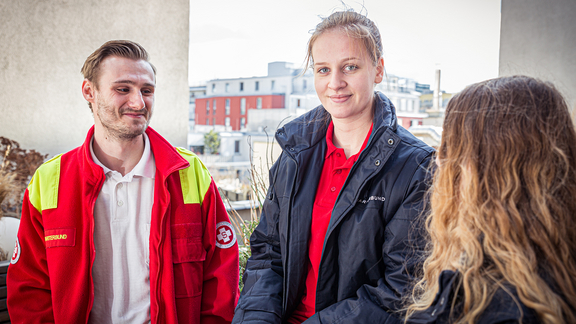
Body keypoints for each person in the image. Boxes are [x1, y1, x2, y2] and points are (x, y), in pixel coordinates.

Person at [7, 40, 239, 324]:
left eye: (147, 91)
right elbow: (30, 290)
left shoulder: (190, 173)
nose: (138, 103)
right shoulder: (49, 180)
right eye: (123, 89)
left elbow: (221, 280)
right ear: (89, 92)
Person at [232, 10, 434, 324]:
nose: (335, 83)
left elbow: (402, 289)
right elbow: (268, 253)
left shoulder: (415, 167)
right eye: (323, 70)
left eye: (350, 67)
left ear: (378, 70)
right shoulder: (296, 154)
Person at [402, 76, 576, 323]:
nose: (439, 160)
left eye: (452, 147)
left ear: (490, 171)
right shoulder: (549, 263)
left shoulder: (501, 303)